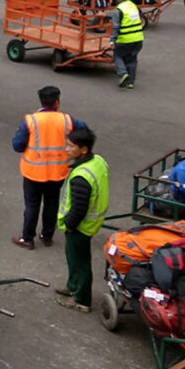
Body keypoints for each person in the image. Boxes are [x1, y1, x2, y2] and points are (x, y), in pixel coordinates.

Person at [11, 86, 88, 250]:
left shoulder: (30, 120)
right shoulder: (68, 120)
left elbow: (17, 145)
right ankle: (47, 236)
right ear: (57, 102)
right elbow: (84, 130)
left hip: (33, 172)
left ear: (41, 101)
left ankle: (27, 238)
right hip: (57, 171)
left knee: (32, 205)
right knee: (51, 203)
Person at [56, 126, 109, 312]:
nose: (66, 149)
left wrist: (70, 225)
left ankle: (82, 300)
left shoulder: (81, 176)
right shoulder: (98, 161)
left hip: (80, 227)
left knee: (80, 262)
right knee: (74, 258)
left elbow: (79, 208)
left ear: (83, 150)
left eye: (71, 146)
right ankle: (72, 285)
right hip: (89, 224)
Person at [109, 0, 144, 89]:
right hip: (138, 38)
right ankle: (130, 82)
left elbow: (116, 27)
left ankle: (123, 74)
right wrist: (106, 16)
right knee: (132, 59)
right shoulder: (133, 6)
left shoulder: (118, 9)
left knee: (117, 55)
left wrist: (112, 41)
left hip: (125, 39)